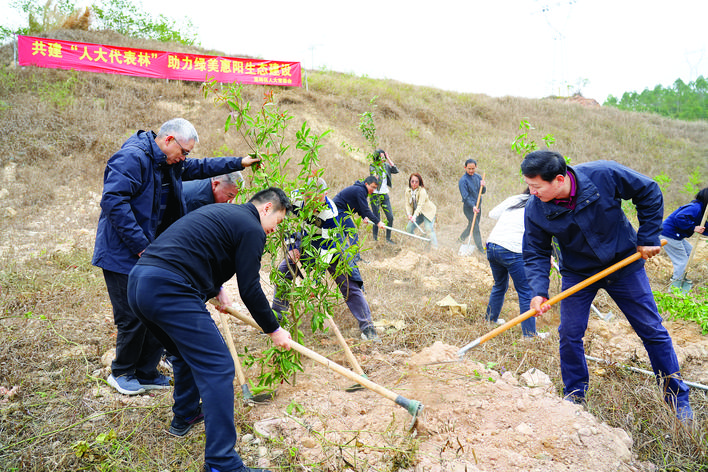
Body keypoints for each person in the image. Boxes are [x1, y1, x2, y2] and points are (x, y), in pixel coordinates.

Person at [127, 187, 292, 472]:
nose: (273, 230)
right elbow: (250, 288)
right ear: (267, 209)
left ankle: (187, 415)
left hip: (140, 283)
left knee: (183, 354)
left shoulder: (223, 213)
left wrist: (216, 289)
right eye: (277, 222)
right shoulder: (252, 227)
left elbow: (197, 249)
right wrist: (274, 329)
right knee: (218, 367)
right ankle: (221, 463)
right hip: (170, 289)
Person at [92, 118, 260, 396]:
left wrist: (239, 162)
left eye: (186, 154)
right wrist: (142, 246)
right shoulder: (132, 157)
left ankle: (146, 372)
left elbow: (201, 167)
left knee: (156, 313)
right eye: (183, 152)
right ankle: (122, 372)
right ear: (168, 140)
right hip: (122, 252)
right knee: (132, 317)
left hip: (153, 252)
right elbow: (114, 202)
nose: (184, 158)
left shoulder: (168, 162)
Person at [521, 150, 692, 420]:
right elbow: (535, 252)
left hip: (624, 263)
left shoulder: (602, 174)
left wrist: (647, 236)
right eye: (529, 185)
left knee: (651, 330)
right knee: (569, 333)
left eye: (536, 186)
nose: (531, 192)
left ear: (559, 179)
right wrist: (539, 292)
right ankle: (575, 397)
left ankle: (677, 398)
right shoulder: (536, 208)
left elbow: (648, 190)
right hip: (578, 273)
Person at [271, 178, 380, 341]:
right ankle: (275, 323)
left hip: (331, 246)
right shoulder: (295, 199)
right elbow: (283, 221)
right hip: (307, 239)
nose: (312, 207)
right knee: (284, 270)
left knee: (348, 282)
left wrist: (314, 280)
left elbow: (325, 252)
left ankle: (368, 328)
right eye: (309, 201)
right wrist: (292, 246)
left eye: (317, 202)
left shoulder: (330, 214)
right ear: (303, 194)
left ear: (325, 195)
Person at [484, 189, 548, 338]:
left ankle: (490, 320)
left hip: (493, 245)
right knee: (526, 292)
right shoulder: (540, 204)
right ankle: (530, 335)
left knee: (499, 285)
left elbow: (492, 214)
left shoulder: (515, 198)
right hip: (512, 249)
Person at [660, 187, 708, 282]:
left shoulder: (701, 210)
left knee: (689, 252)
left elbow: (704, 226)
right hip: (669, 234)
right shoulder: (695, 207)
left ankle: (680, 277)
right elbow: (680, 218)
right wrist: (693, 227)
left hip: (676, 235)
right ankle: (675, 284)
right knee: (682, 261)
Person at [332, 175, 386, 250]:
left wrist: (364, 217)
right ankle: (356, 257)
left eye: (375, 188)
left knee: (342, 236)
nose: (373, 190)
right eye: (372, 187)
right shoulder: (360, 190)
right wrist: (378, 222)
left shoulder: (361, 190)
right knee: (352, 231)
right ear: (366, 184)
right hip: (338, 210)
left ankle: (345, 258)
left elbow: (359, 207)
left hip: (340, 210)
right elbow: (366, 209)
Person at [369, 149, 399, 243]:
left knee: (390, 217)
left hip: (384, 195)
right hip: (375, 195)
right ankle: (375, 239)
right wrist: (375, 176)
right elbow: (373, 176)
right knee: (376, 217)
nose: (383, 159)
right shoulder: (373, 166)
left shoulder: (386, 166)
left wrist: (388, 158)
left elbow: (395, 170)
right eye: (381, 157)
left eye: (384, 157)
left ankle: (388, 238)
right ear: (376, 157)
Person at [458, 158, 486, 252]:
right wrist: (473, 206)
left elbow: (483, 192)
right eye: (469, 168)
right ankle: (480, 249)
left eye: (473, 168)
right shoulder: (463, 181)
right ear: (465, 168)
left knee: (472, 226)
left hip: (478, 206)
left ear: (476, 167)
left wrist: (483, 185)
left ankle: (460, 239)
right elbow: (465, 197)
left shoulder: (478, 177)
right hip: (469, 208)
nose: (471, 171)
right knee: (476, 227)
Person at [404, 173, 438, 249]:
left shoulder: (422, 191)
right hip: (418, 213)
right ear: (410, 181)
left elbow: (420, 205)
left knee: (428, 229)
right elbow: (407, 204)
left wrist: (414, 216)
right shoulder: (408, 191)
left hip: (428, 212)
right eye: (412, 181)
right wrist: (409, 214)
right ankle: (413, 244)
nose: (414, 184)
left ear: (419, 182)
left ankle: (435, 248)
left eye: (416, 181)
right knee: (409, 228)